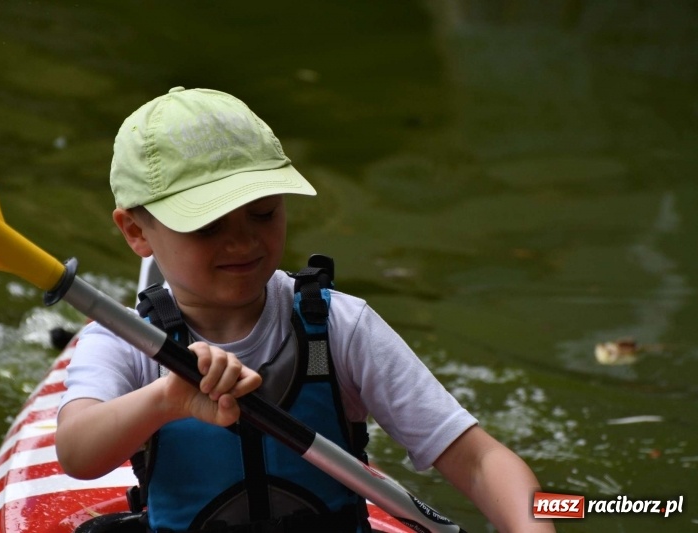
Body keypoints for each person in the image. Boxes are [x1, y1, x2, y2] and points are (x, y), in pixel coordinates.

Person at [56, 86, 554, 533]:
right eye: (207, 226)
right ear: (136, 232)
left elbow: (478, 460)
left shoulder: (340, 325)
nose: (244, 240)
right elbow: (77, 452)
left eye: (264, 212)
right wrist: (167, 398)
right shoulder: (125, 340)